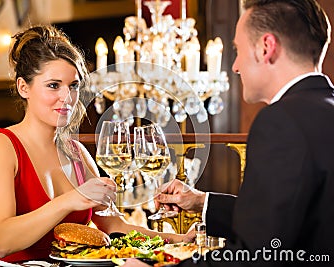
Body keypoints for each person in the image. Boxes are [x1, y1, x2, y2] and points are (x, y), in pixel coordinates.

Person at [124, 0, 334, 266]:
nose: (235, 66)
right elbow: (289, 220)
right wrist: (202, 202)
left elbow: (258, 254)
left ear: (266, 47)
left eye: (238, 49)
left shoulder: (282, 121)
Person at [0, 24, 192, 265]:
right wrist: (69, 200)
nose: (67, 97)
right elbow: (3, 243)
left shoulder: (76, 153)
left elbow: (115, 226)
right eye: (53, 85)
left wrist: (179, 240)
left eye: (74, 86)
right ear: (23, 87)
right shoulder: (0, 147)